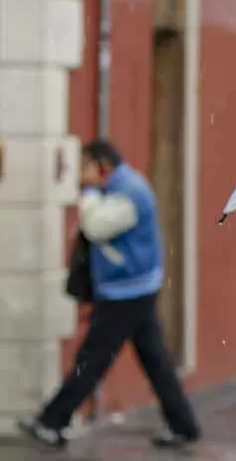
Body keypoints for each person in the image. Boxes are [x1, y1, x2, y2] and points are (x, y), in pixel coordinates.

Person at [18, 140, 200, 449]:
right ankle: (183, 425)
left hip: (126, 292)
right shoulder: (120, 188)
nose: (82, 175)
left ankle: (52, 421)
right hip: (132, 289)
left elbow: (96, 227)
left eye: (86, 166)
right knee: (155, 361)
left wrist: (88, 197)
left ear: (103, 165)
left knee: (92, 359)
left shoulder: (130, 191)